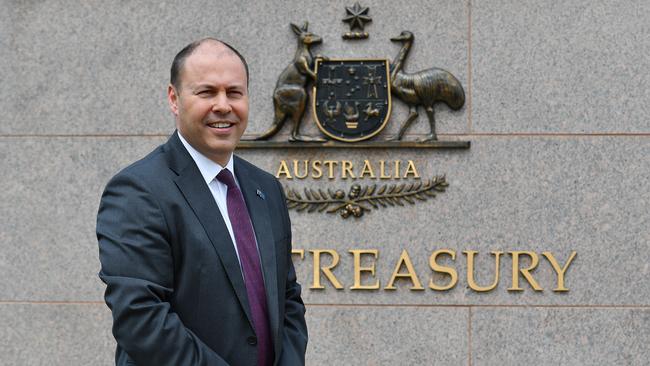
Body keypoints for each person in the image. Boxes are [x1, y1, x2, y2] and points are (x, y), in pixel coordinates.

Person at [96, 38, 308, 366]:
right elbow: (141, 320)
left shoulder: (266, 189)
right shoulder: (138, 191)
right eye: (206, 92)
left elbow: (288, 300)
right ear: (174, 99)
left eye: (234, 92)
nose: (223, 105)